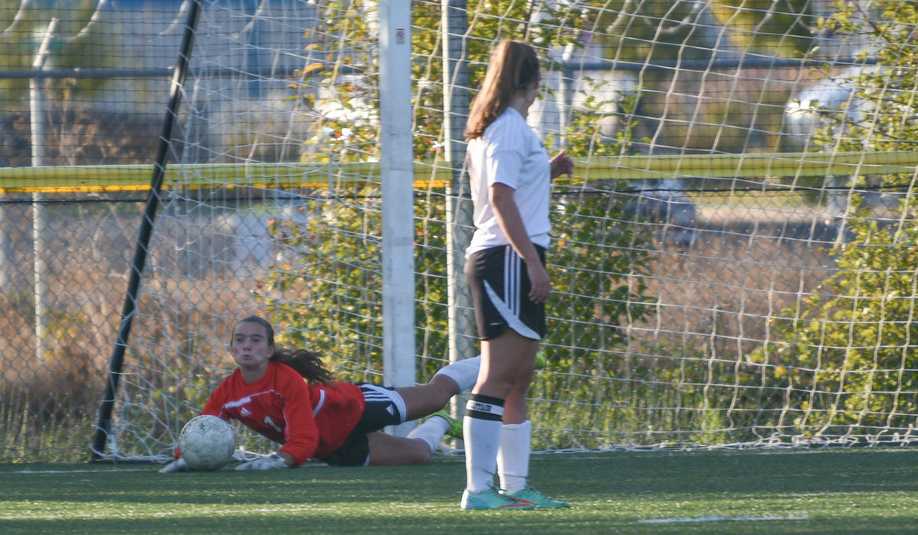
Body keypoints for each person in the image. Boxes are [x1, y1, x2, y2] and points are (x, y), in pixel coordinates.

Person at [459, 39, 574, 510]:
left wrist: (548, 171)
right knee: (498, 375)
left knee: (519, 376)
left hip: (511, 256)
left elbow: (511, 188)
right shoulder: (507, 127)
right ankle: (479, 490)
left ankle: (515, 487)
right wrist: (531, 261)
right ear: (534, 79)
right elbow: (500, 199)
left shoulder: (507, 129)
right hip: (506, 258)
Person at [160, 315, 480, 472]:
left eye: (256, 340)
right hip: (336, 448)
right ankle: (439, 424)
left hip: (355, 406)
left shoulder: (284, 378)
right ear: (231, 350)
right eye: (240, 340)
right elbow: (202, 428)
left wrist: (281, 460)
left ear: (270, 349)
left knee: (436, 394)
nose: (247, 345)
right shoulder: (227, 392)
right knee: (420, 455)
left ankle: (498, 358)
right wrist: (186, 458)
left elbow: (303, 437)